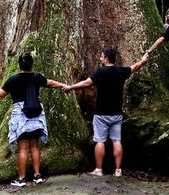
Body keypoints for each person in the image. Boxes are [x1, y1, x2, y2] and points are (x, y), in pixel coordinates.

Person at [0, 52, 67, 187]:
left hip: (21, 115)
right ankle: (37, 176)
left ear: (19, 64)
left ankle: (21, 178)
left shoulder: (13, 79)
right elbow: (50, 83)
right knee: (35, 146)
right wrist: (63, 85)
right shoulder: (37, 77)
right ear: (32, 64)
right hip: (36, 114)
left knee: (24, 148)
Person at [63, 48, 150, 177]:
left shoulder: (100, 72)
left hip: (101, 114)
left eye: (101, 56)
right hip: (116, 113)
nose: (100, 58)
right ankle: (118, 170)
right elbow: (134, 67)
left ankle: (98, 169)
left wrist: (71, 87)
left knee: (100, 141)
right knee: (116, 141)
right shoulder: (121, 71)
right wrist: (143, 61)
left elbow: (87, 83)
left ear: (106, 59)